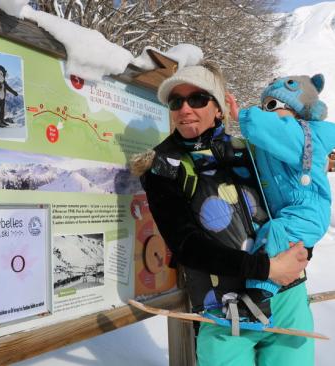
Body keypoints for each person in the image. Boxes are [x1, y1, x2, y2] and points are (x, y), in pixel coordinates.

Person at [130, 62, 312, 366]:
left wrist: (303, 252)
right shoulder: (164, 166)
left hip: (286, 296)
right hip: (224, 311)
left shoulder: (249, 150)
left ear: (218, 108)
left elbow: (296, 205)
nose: (185, 108)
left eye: (198, 99)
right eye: (177, 102)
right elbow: (186, 245)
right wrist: (266, 269)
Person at [226, 74, 335, 301]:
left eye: (273, 105)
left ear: (297, 110)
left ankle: (257, 296)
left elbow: (272, 129)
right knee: (273, 239)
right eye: (264, 107)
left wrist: (243, 115)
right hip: (289, 211)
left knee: (273, 235)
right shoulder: (274, 137)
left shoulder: (304, 133)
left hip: (307, 212)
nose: (268, 112)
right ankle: (269, 291)